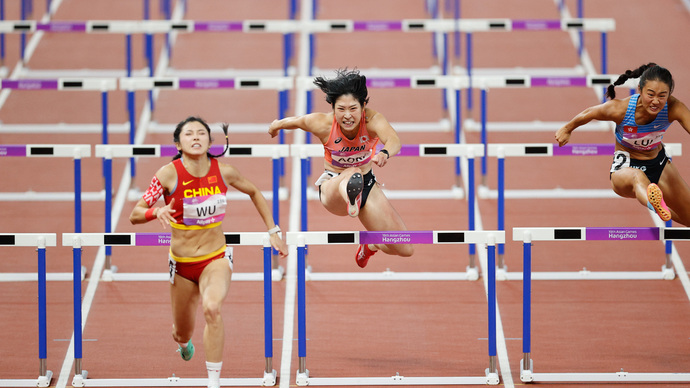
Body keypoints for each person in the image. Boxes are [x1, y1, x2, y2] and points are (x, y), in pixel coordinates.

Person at [129, 116, 288, 388]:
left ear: (210, 141)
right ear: (178, 143)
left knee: (212, 309)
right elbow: (135, 214)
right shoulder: (168, 174)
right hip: (181, 265)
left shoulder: (224, 171)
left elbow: (254, 191)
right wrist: (156, 211)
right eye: (188, 133)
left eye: (201, 133)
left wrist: (274, 231)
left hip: (215, 258)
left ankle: (213, 383)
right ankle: (183, 342)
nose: (195, 137)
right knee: (181, 331)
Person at [268, 68, 414, 267]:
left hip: (367, 186)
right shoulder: (322, 123)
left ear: (363, 106)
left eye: (353, 108)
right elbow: (297, 121)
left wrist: (384, 153)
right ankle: (350, 195)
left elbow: (394, 139)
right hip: (332, 187)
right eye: (341, 109)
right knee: (353, 172)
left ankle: (370, 245)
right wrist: (276, 125)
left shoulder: (372, 120)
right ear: (333, 108)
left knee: (405, 248)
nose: (347, 116)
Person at [555, 63, 690, 226]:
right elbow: (590, 112)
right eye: (651, 94)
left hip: (659, 165)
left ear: (669, 94)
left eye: (662, 96)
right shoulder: (621, 109)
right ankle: (652, 201)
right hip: (626, 167)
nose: (656, 101)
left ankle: (662, 208)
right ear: (639, 90)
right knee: (637, 177)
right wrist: (567, 128)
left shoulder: (674, 107)